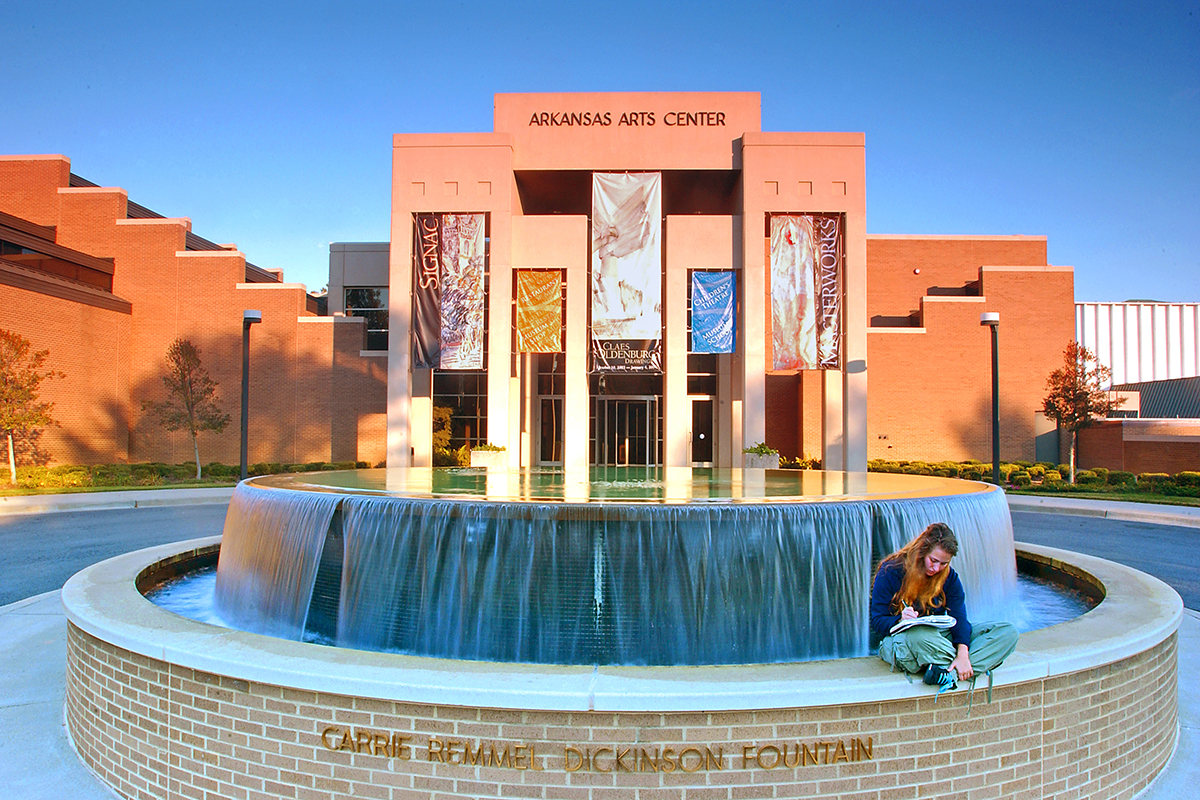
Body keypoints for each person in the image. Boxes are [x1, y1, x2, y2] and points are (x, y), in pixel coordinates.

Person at [870, 522, 1018, 697]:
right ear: (922, 551)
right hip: (904, 640)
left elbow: (960, 619)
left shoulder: (949, 577)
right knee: (919, 634)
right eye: (933, 561)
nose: (936, 568)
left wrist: (963, 653)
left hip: (937, 638)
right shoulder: (891, 571)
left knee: (1007, 632)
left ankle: (947, 672)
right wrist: (900, 620)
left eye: (943, 563)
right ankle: (962, 667)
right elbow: (877, 621)